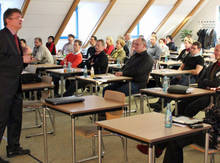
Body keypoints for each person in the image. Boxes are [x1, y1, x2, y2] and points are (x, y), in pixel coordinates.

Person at [137, 44, 220, 163]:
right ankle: (173, 130)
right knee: (181, 105)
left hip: (213, 129)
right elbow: (203, 81)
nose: (215, 52)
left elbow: (213, 82)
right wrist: (209, 83)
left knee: (177, 135)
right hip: (207, 107)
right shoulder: (213, 66)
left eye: (217, 50)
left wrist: (211, 84)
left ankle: (162, 144)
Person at [0, 8, 32, 163]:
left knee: (15, 118)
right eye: (18, 17)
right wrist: (21, 60)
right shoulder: (1, 36)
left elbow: (18, 65)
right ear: (8, 20)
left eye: (22, 18)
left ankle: (13, 147)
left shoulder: (16, 39)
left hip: (15, 86)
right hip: (4, 87)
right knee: (1, 120)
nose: (21, 20)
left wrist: (24, 58)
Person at [151, 41, 205, 112]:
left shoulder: (200, 59)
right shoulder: (188, 56)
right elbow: (181, 67)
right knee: (169, 86)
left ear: (199, 50)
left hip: (191, 78)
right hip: (183, 75)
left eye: (194, 48)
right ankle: (160, 103)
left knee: (176, 87)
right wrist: (178, 73)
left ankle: (160, 105)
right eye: (191, 48)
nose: (191, 50)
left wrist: (184, 72)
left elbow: (197, 71)